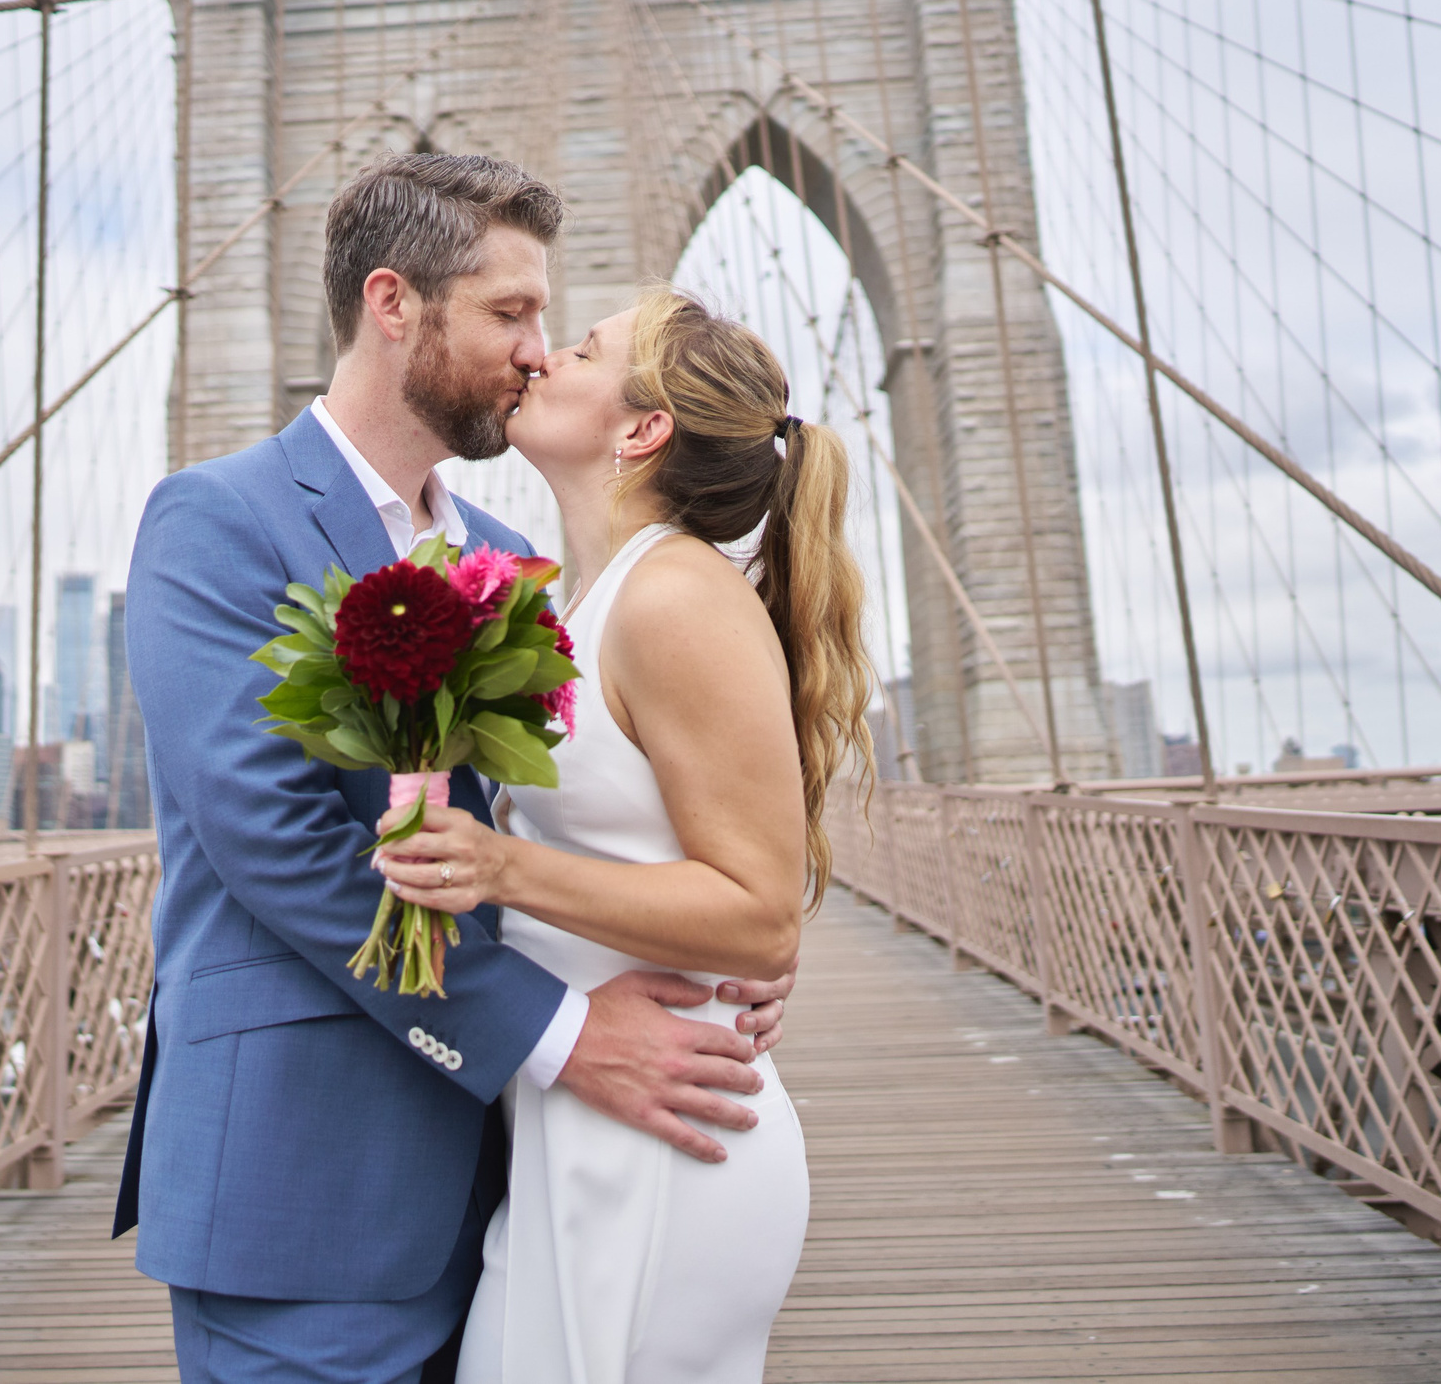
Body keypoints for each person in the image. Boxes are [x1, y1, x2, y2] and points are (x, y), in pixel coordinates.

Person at [117, 154, 795, 1384]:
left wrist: (729, 944)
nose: (537, 352)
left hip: (510, 1181)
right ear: (394, 305)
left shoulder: (505, 557)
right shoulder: (215, 520)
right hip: (307, 1185)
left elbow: (571, 819)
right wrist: (561, 1035)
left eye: (551, 324)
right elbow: (277, 841)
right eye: (510, 313)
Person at [374, 285, 875, 1383]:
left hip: (670, 1139)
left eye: (584, 348)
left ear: (644, 428)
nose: (543, 358)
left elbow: (757, 916)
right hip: (590, 1120)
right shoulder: (575, 605)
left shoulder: (674, 600)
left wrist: (500, 865)